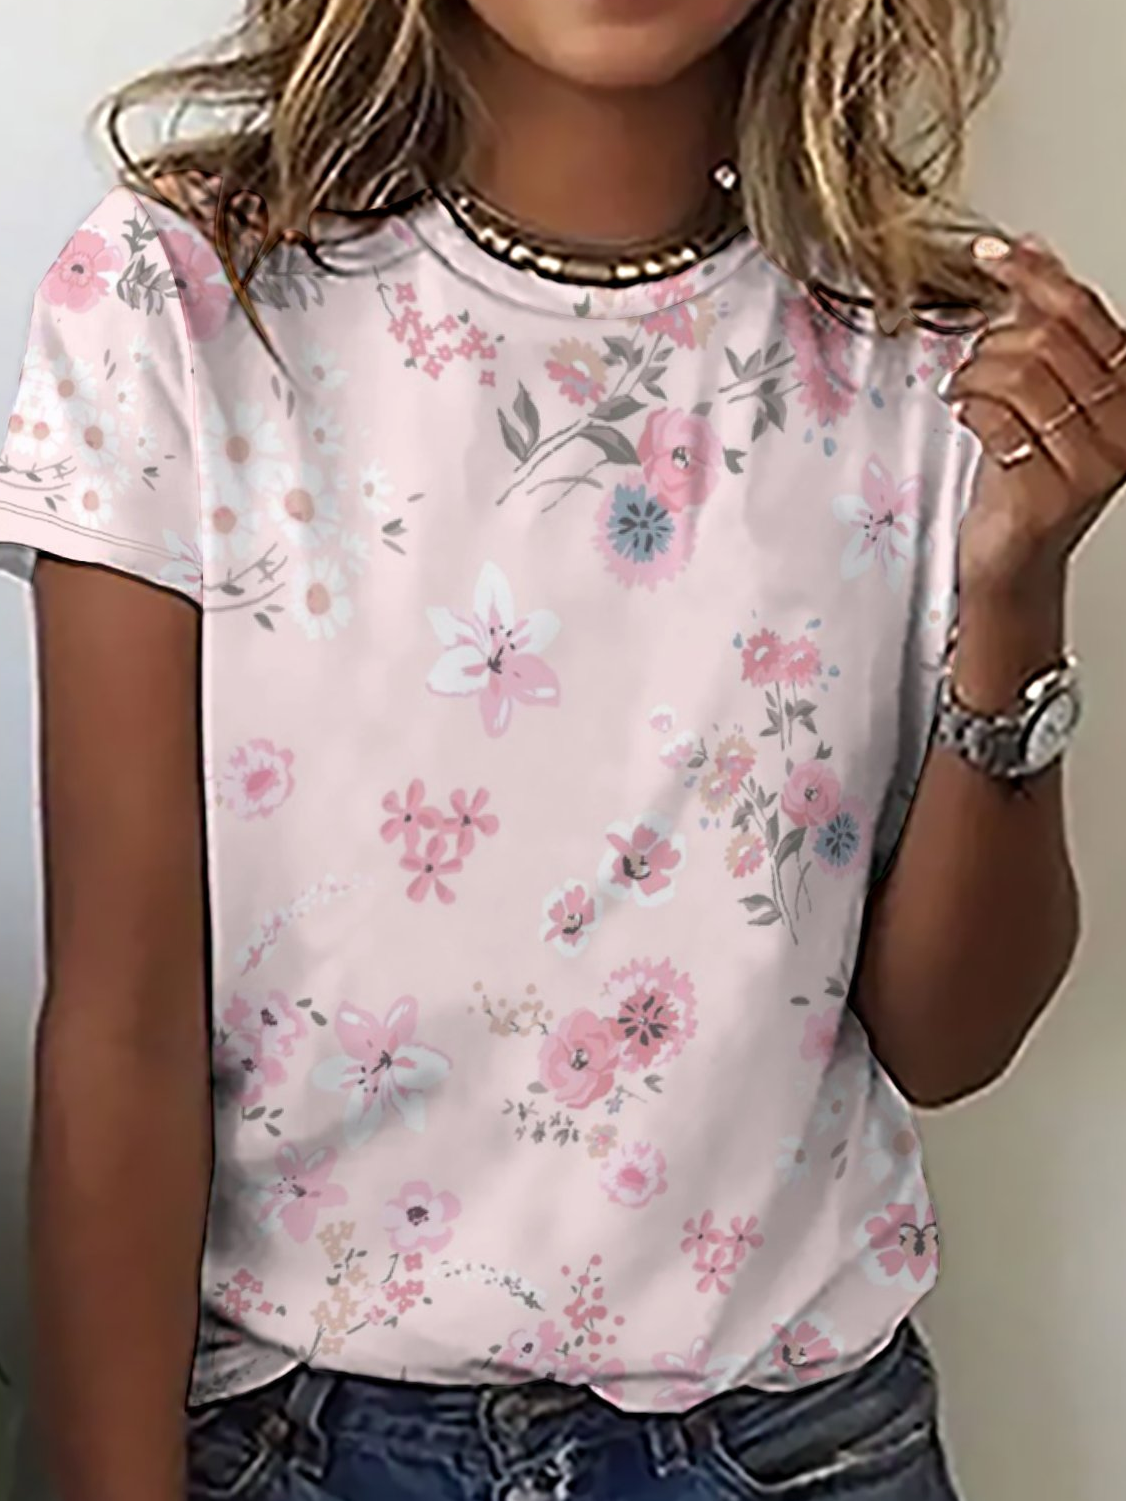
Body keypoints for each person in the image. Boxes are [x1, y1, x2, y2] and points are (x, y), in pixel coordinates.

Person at [2, 0, 1124, 1497]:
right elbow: (119, 1029)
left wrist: (1017, 586)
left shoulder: (937, 357)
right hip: (294, 1444)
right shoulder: (184, 298)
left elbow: (949, 1040)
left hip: (795, 1440)